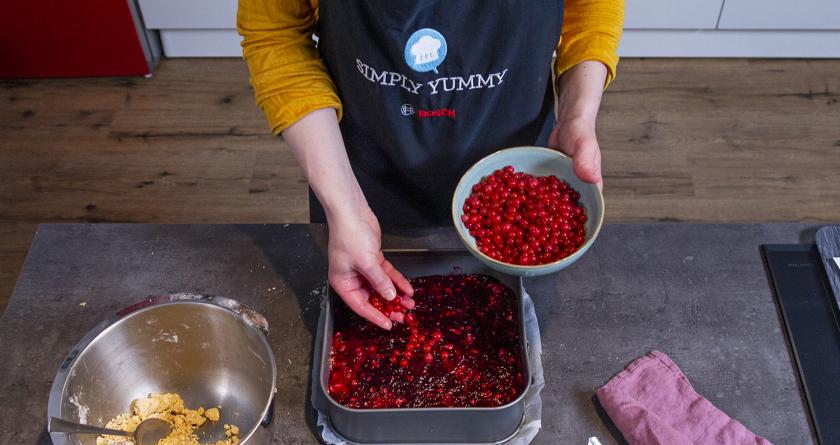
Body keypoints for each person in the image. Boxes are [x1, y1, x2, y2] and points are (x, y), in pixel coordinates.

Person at [238, 0, 624, 329]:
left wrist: (577, 113)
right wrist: (345, 206)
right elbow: (277, 33)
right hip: (360, 185)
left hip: (518, 183)